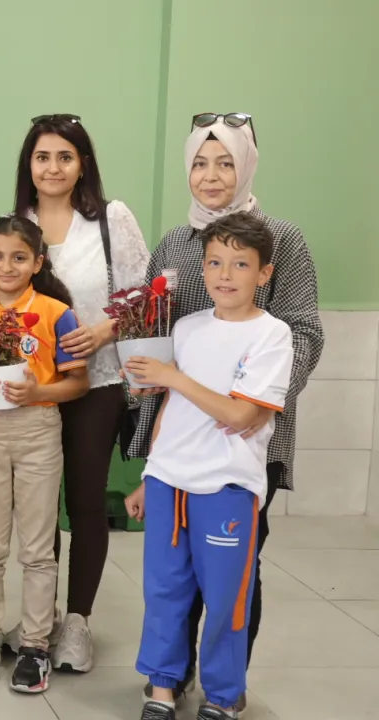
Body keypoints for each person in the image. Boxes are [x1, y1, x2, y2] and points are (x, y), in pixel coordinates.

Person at [125, 114, 323, 712]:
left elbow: (305, 331)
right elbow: (157, 327)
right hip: (176, 451)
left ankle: (223, 689)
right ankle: (168, 679)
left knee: (231, 582)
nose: (211, 176)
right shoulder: (173, 242)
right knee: (169, 584)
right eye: (200, 163)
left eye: (226, 162)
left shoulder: (280, 238)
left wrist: (260, 405)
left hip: (241, 443)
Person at [126, 213, 294, 720]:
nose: (225, 274)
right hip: (167, 481)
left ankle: (222, 696)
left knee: (225, 598)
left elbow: (240, 415)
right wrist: (148, 474)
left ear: (264, 273)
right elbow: (171, 409)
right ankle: (161, 688)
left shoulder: (273, 335)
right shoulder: (187, 327)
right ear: (202, 268)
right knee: (164, 592)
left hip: (226, 487)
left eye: (240, 264)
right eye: (215, 263)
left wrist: (173, 377)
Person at [7, 114, 151, 670]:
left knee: (86, 502)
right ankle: (39, 617)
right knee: (39, 507)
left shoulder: (112, 220)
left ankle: (78, 622)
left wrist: (105, 330)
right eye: (42, 157)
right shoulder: (18, 224)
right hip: (36, 387)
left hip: (97, 383)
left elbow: (144, 296)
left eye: (64, 157)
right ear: (29, 165)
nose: (53, 168)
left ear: (82, 164)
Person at [0, 216, 89, 694]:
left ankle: (35, 644)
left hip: (38, 430)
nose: (6, 266)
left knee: (36, 547)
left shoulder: (57, 312)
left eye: (18, 257)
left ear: (38, 263)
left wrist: (38, 392)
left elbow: (79, 382)